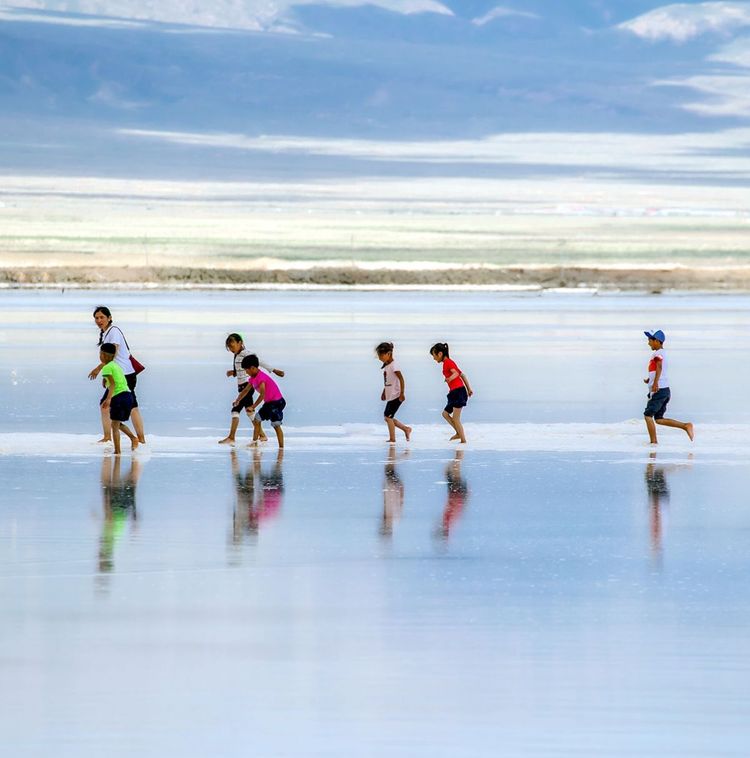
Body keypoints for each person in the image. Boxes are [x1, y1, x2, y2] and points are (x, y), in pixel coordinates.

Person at [88, 306, 146, 445]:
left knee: (129, 407)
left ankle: (138, 439)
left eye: (102, 317)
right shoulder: (107, 332)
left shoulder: (113, 331)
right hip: (120, 374)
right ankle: (112, 437)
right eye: (96, 318)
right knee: (119, 406)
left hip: (125, 374)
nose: (99, 320)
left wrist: (98, 369)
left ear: (109, 318)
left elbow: (110, 355)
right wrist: (106, 376)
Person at [219, 333, 284, 445]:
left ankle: (231, 437)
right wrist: (233, 372)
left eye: (232, 346)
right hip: (242, 386)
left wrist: (273, 370)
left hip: (248, 385)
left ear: (240, 343)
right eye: (229, 348)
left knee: (235, 410)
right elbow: (241, 370)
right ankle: (262, 435)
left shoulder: (247, 354)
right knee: (250, 413)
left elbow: (259, 362)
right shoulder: (237, 355)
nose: (231, 349)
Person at [643, 330, 694, 445]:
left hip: (659, 389)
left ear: (656, 341)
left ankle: (653, 443)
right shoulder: (661, 353)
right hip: (664, 390)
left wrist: (655, 383)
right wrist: (650, 380)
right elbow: (657, 369)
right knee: (659, 419)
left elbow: (659, 367)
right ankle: (685, 426)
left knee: (647, 416)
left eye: (649, 341)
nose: (648, 343)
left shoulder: (658, 353)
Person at [235, 354, 286, 449]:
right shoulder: (253, 378)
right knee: (257, 420)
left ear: (253, 368)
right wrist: (238, 400)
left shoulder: (261, 378)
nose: (246, 372)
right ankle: (254, 442)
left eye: (247, 370)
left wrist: (253, 406)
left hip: (277, 402)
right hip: (269, 403)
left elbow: (262, 394)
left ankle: (281, 448)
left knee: (276, 425)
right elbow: (246, 390)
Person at [99, 343, 139, 455]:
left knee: (115, 426)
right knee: (116, 423)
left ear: (103, 355)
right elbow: (116, 379)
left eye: (100, 353)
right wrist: (104, 380)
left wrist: (108, 399)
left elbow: (112, 384)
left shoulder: (106, 367)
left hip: (118, 397)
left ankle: (118, 451)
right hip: (128, 396)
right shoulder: (115, 365)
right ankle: (133, 438)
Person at [430, 342, 473, 444]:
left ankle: (463, 440)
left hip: (458, 392)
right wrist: (469, 389)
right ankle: (458, 433)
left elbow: (456, 373)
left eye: (434, 355)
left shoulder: (448, 362)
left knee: (456, 418)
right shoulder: (449, 363)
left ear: (440, 354)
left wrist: (450, 378)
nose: (434, 358)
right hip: (455, 392)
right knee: (445, 414)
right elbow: (463, 375)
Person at [375, 342, 412, 443]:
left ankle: (392, 439)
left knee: (388, 417)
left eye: (381, 355)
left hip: (397, 395)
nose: (379, 358)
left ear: (388, 353)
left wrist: (402, 393)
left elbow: (401, 379)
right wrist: (384, 392)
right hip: (391, 395)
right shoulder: (387, 365)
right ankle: (406, 429)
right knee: (388, 417)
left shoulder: (394, 365)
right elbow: (388, 380)